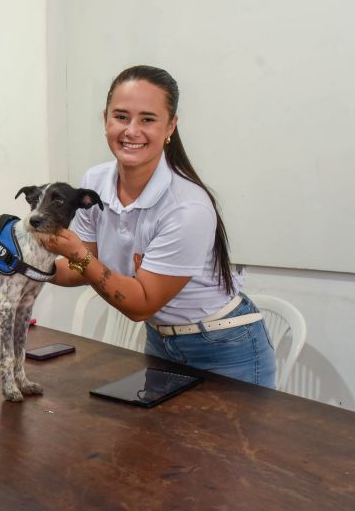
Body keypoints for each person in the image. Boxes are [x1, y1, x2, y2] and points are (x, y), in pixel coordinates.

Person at [45, 65, 275, 388]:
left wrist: (77, 254)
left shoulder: (187, 207)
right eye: (121, 117)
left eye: (147, 119)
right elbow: (78, 267)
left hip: (225, 348)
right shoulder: (94, 182)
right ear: (105, 119)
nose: (131, 131)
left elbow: (140, 303)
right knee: (156, 440)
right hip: (160, 341)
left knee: (227, 442)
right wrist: (26, 265)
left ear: (171, 126)